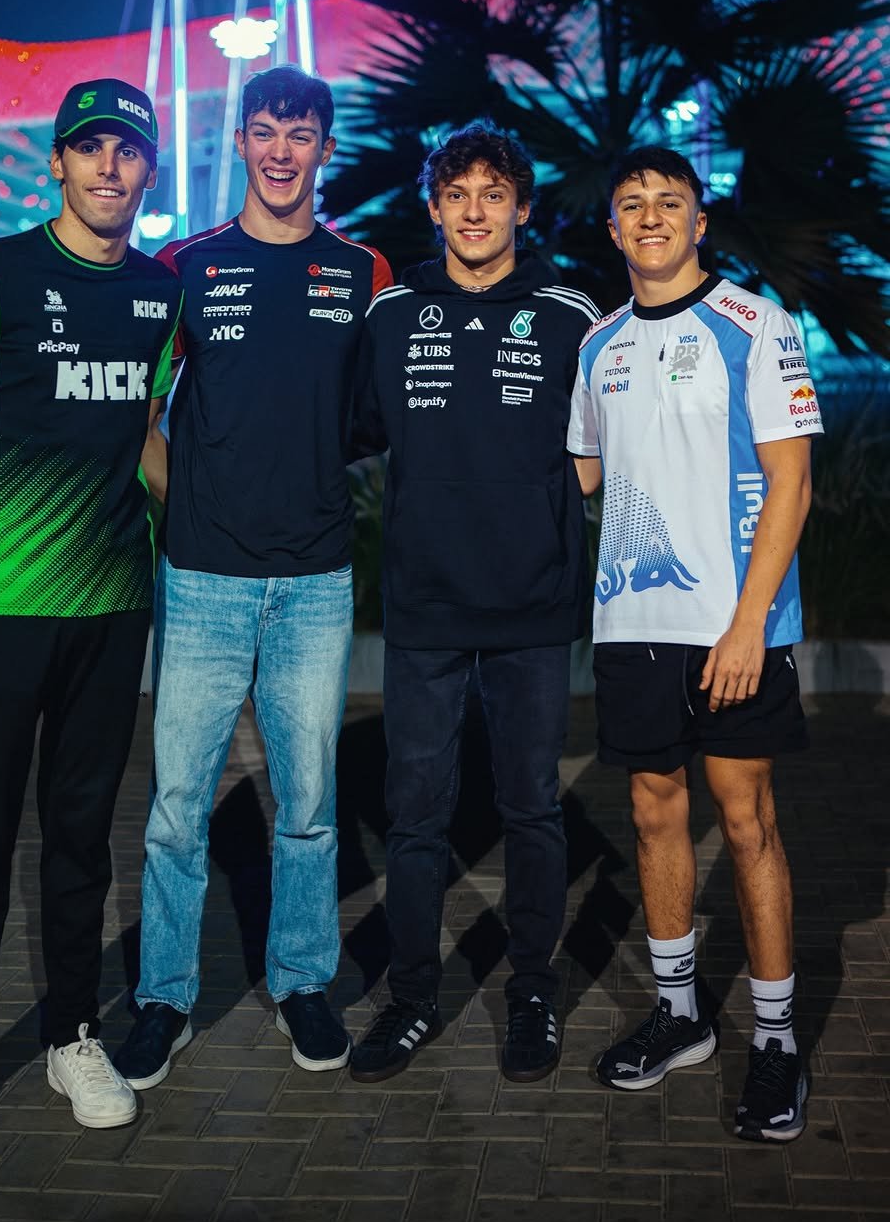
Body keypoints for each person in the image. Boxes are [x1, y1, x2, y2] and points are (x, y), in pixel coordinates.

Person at [0, 79, 182, 1166]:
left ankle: (72, 1033)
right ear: (57, 163)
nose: (110, 168)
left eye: (128, 153)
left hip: (111, 610)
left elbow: (143, 436)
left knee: (79, 842)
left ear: (148, 171)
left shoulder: (160, 296)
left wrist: (205, 519)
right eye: (90, 149)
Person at [115, 64, 393, 1087]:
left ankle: (303, 984)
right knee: (179, 804)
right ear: (239, 141)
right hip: (203, 583)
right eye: (267, 131)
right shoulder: (185, 265)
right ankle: (162, 1000)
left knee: (310, 800)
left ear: (325, 149)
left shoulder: (364, 271)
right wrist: (184, 504)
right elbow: (138, 415)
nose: (283, 151)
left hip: (316, 582)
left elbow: (389, 411)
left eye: (303, 134)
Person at [567, 145, 821, 1143]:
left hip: (732, 627)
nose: (649, 217)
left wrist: (751, 622)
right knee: (651, 810)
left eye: (669, 203)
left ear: (700, 220)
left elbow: (791, 484)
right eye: (632, 205)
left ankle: (773, 1039)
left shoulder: (755, 326)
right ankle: (681, 1017)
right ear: (615, 227)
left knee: (747, 817)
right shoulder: (598, 344)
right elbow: (581, 477)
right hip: (633, 630)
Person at [347, 121, 598, 1083]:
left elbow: (609, 439)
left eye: (495, 193)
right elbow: (352, 432)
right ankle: (413, 999)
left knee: (533, 806)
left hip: (533, 604)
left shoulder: (572, 311)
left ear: (522, 209)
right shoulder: (393, 311)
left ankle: (531, 991)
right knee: (416, 813)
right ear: (436, 206)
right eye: (459, 193)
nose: (477, 210)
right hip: (424, 604)